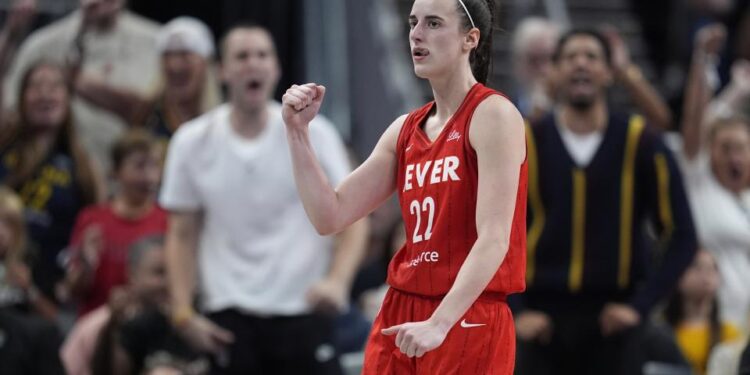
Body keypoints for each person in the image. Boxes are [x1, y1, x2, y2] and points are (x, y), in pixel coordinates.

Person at [282, 0, 526, 373]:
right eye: (413, 22)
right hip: (402, 307)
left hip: (465, 310)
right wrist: (297, 133)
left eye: (433, 23)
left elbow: (494, 238)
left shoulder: (493, 114)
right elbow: (329, 215)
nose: (416, 34)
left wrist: (440, 323)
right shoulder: (404, 129)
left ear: (469, 38)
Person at [160, 23, 368, 374]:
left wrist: (337, 282)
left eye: (262, 55)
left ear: (276, 69)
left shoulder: (316, 131)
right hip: (228, 315)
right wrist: (182, 313)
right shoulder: (191, 140)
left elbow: (354, 215)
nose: (253, 64)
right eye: (241, 57)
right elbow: (181, 233)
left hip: (303, 309)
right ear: (222, 70)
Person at [514, 29, 697, 374]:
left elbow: (682, 234)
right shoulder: (525, 140)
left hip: (615, 321)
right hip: (540, 322)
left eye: (592, 57)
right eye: (570, 57)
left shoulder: (641, 141)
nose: (581, 64)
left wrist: (641, 306)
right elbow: (492, 230)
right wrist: (517, 309)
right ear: (553, 71)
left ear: (610, 73)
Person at [0, 1, 105, 302]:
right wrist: (11, 34)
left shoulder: (83, 163)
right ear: (21, 98)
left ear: (68, 98)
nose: (45, 94)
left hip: (48, 288)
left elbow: (94, 226)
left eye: (55, 87)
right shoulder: (5, 142)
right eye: (36, 87)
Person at [3, 0, 161, 170]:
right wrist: (10, 38)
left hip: (134, 176)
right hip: (56, 176)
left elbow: (156, 113)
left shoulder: (158, 43)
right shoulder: (41, 45)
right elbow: (10, 113)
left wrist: (79, 82)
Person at [680, 23, 750, 328]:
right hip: (711, 327)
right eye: (725, 149)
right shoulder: (700, 182)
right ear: (711, 154)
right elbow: (696, 124)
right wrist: (703, 62)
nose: (733, 157)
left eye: (741, 149)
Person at [70, 16, 221, 144]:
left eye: (184, 54)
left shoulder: (227, 120)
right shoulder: (145, 110)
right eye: (167, 55)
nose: (174, 65)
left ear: (206, 63)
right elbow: (76, 81)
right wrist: (85, 27)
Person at [66, 129, 167, 316]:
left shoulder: (167, 221)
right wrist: (86, 267)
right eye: (139, 166)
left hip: (148, 323)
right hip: (96, 321)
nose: (149, 177)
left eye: (155, 166)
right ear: (115, 171)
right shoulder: (92, 220)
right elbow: (71, 291)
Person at [664, 250, 742, 375]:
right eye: (696, 267)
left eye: (712, 268)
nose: (706, 274)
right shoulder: (662, 330)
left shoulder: (729, 332)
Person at [0, 186, 57, 320]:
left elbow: (53, 317)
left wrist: (29, 289)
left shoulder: (31, 260)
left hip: (18, 334)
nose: (1, 232)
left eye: (8, 224)